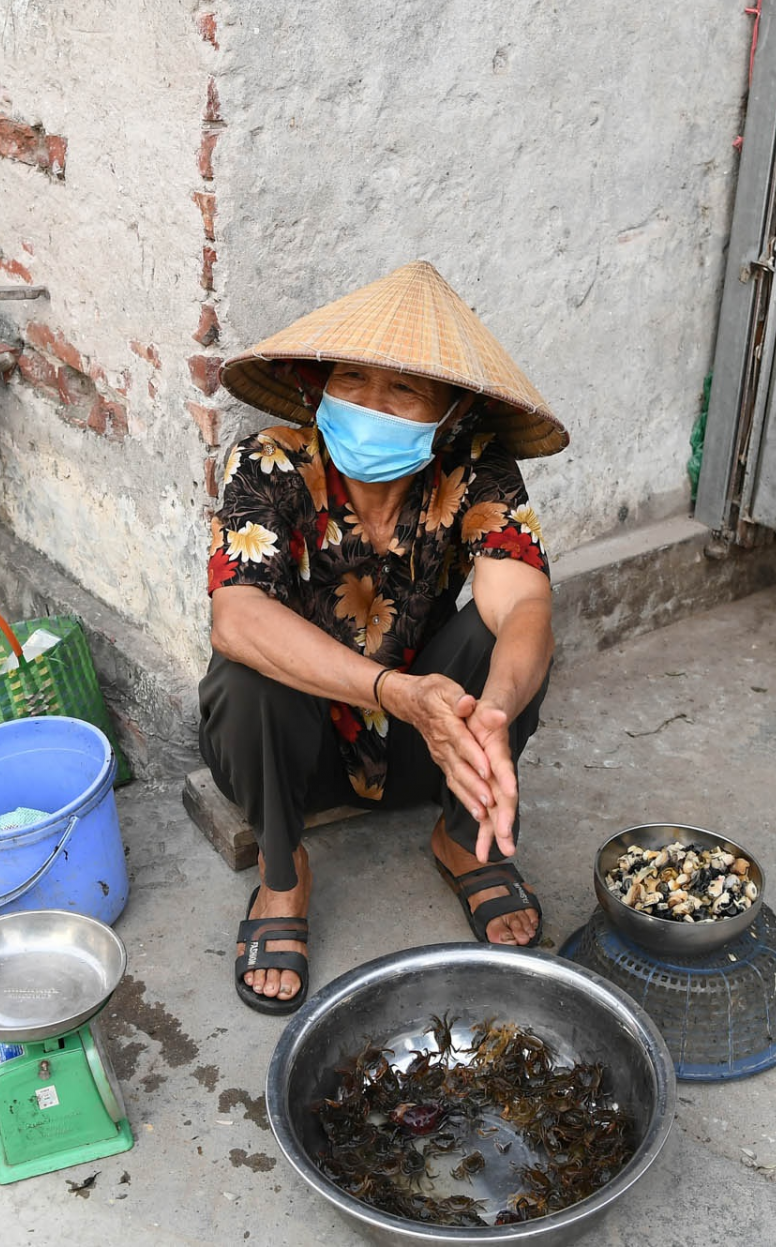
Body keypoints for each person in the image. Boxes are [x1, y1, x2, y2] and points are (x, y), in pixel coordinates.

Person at [200, 261, 571, 1014]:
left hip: (420, 749)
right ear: (319, 386)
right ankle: (282, 875)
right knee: (251, 667)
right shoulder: (269, 460)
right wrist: (396, 693)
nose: (371, 404)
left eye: (403, 389)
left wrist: (492, 713)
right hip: (295, 757)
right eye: (351, 380)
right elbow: (235, 616)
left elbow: (522, 601)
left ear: (452, 411)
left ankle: (463, 839)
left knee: (495, 640)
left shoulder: (475, 470)